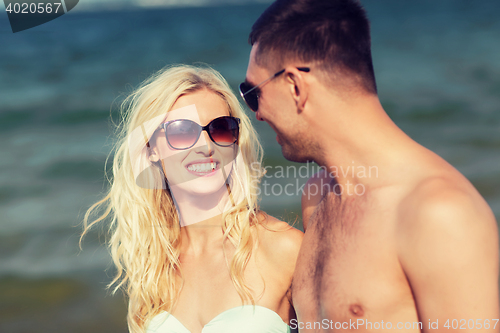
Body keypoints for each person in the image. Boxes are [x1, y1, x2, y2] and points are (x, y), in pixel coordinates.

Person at [240, 0, 499, 331]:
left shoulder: (439, 211)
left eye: (253, 93)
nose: (257, 114)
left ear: (295, 86)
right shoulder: (317, 197)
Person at [82, 65, 303, 333]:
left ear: (235, 141)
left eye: (220, 128)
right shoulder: (154, 267)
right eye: (181, 131)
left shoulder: (285, 249)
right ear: (151, 148)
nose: (206, 147)